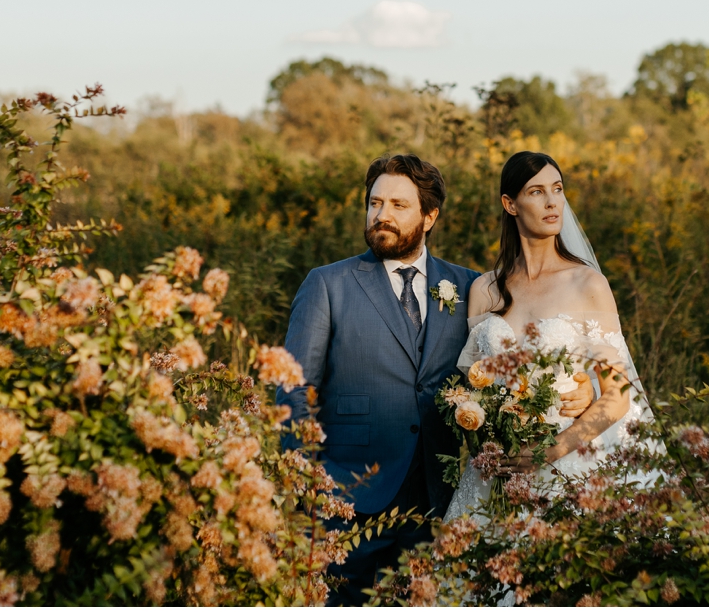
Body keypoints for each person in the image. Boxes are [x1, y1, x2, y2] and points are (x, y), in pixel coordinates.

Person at [278, 153, 596, 605]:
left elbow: (514, 363)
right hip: (345, 501)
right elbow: (292, 388)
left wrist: (580, 386)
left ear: (430, 217)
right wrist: (307, 484)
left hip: (437, 502)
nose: (381, 215)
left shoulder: (471, 287)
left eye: (398, 205)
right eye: (375, 203)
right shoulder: (328, 284)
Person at [444, 150, 652, 523]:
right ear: (510, 204)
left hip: (568, 463)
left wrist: (549, 452)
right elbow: (476, 390)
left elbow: (618, 396)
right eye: (536, 192)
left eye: (557, 189)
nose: (552, 201)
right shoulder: (484, 291)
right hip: (499, 470)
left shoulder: (587, 284)